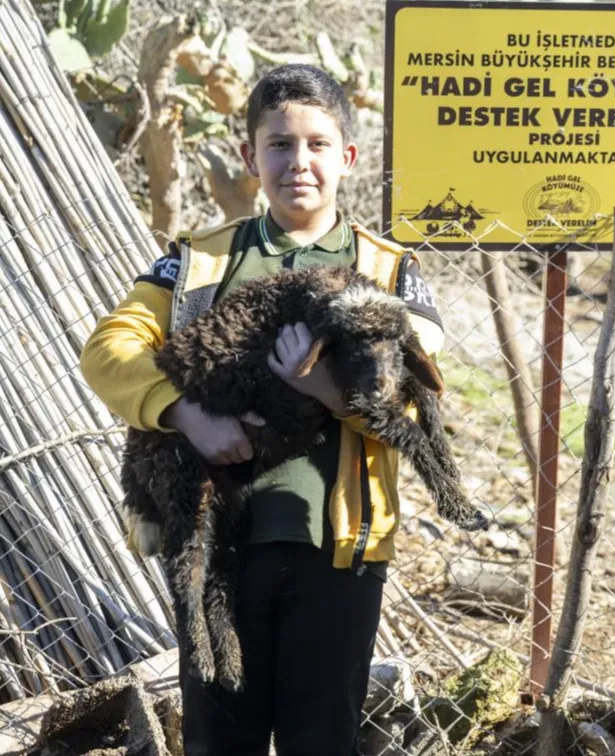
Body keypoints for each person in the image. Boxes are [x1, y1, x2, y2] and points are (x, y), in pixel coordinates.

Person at [79, 64, 445, 755]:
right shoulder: (199, 262)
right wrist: (186, 414)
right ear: (250, 158)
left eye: (317, 144)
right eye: (279, 144)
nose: (298, 162)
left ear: (347, 157)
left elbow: (415, 399)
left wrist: (326, 392)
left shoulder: (391, 272)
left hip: (338, 553)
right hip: (219, 546)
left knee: (321, 740)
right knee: (219, 739)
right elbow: (109, 349)